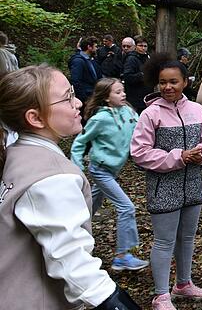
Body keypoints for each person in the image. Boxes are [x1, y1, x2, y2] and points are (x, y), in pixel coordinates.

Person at [0, 65, 139, 309]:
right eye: (67, 98)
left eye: (73, 93)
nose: (77, 103)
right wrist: (115, 302)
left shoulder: (17, 155)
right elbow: (70, 258)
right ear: (35, 117)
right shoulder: (52, 177)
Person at [130, 54, 202, 310]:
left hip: (193, 185)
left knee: (187, 238)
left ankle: (183, 284)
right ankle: (161, 295)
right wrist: (179, 156)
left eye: (173, 82)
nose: (167, 87)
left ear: (185, 83)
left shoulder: (197, 110)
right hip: (163, 188)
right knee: (164, 241)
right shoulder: (150, 114)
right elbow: (140, 153)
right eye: (162, 82)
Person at [70, 77, 148, 272]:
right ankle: (122, 256)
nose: (123, 94)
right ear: (106, 98)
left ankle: (73, 232)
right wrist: (77, 168)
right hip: (100, 169)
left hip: (113, 170)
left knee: (90, 205)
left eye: (123, 91)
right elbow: (80, 143)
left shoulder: (129, 112)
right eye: (118, 92)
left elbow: (142, 131)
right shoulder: (100, 119)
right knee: (126, 207)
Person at [122, 35, 152, 113]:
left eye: (145, 46)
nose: (143, 48)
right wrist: (142, 75)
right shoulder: (131, 59)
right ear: (135, 46)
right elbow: (128, 77)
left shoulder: (147, 58)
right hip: (135, 98)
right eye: (140, 45)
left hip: (146, 96)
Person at [69, 36, 103, 103]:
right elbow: (76, 81)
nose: (97, 49)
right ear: (89, 47)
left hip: (92, 96)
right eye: (95, 46)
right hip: (85, 99)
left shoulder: (90, 59)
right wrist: (84, 99)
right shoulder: (78, 61)